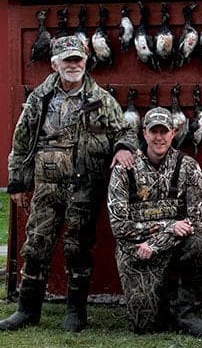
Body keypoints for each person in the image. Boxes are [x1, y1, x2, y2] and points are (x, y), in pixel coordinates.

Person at [1, 35, 138, 332]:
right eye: (67, 60)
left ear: (86, 62)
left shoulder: (100, 99)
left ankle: (76, 313)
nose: (73, 65)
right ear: (55, 64)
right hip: (46, 185)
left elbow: (125, 132)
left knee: (78, 247)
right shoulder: (39, 99)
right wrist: (17, 184)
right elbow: (21, 141)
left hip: (84, 186)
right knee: (36, 245)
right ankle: (27, 310)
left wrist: (124, 148)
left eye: (78, 59)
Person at [107, 107, 202, 336]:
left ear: (173, 133)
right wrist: (168, 226)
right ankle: (163, 306)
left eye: (164, 131)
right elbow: (118, 225)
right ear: (144, 133)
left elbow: (199, 220)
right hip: (137, 251)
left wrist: (157, 242)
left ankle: (185, 313)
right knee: (145, 327)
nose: (159, 137)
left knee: (201, 245)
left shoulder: (188, 166)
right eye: (153, 131)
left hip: (170, 246)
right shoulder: (124, 169)